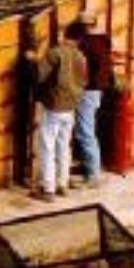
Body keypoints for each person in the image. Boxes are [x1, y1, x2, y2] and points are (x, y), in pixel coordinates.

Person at [29, 31, 88, 200]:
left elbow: (39, 76)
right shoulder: (80, 56)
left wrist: (33, 59)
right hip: (70, 107)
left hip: (54, 106)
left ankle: (48, 189)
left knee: (47, 147)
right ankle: (62, 184)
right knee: (63, 146)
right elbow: (83, 82)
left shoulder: (54, 53)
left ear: (62, 36)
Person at [66, 12, 114, 188]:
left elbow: (84, 70)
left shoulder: (88, 45)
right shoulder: (102, 41)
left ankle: (93, 174)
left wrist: (81, 84)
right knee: (85, 129)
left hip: (88, 92)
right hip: (95, 91)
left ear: (84, 26)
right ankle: (88, 166)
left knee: (85, 131)